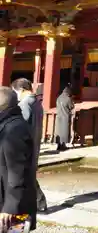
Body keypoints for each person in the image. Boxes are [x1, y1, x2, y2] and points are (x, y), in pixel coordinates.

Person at [0, 87, 37, 232]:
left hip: (13, 205)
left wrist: (11, 206)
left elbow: (18, 171)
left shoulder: (15, 128)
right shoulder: (6, 123)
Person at [11, 78, 47, 213]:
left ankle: (37, 202)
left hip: (25, 145)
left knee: (24, 176)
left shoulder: (24, 105)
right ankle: (39, 202)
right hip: (34, 142)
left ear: (21, 90)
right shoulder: (38, 103)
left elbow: (21, 127)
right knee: (29, 175)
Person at [54, 86, 74, 151]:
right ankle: (63, 145)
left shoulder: (58, 98)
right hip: (65, 116)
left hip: (58, 116)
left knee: (58, 131)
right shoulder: (68, 98)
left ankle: (58, 145)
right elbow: (71, 106)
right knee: (64, 131)